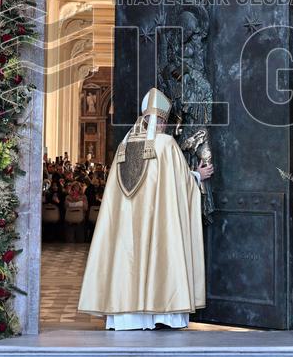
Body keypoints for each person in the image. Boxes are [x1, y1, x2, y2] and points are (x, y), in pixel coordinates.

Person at [78, 88, 213, 330]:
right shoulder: (166, 144)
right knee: (161, 256)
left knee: (127, 260)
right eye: (161, 121)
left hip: (127, 225)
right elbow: (180, 184)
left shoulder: (124, 145)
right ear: (157, 120)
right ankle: (162, 313)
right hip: (158, 221)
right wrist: (197, 176)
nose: (163, 126)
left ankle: (125, 315)